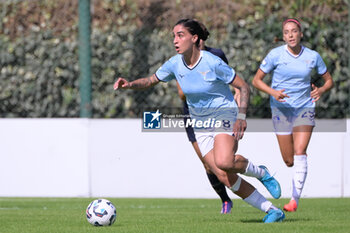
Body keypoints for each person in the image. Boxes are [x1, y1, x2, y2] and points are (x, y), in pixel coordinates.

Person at [114, 18, 285, 223]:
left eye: (180, 35)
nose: (175, 41)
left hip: (224, 113)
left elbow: (244, 87)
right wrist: (129, 84)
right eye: (174, 36)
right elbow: (151, 80)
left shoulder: (212, 62)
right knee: (224, 176)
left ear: (194, 38)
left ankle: (261, 173)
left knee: (224, 161)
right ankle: (272, 211)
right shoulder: (174, 64)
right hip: (200, 124)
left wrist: (241, 116)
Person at [252, 18, 334, 212]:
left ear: (300, 34)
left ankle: (294, 200)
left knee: (300, 152)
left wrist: (320, 91)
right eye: (287, 32)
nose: (290, 35)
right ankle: (263, 173)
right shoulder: (275, 55)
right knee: (289, 160)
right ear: (283, 36)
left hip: (305, 107)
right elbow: (256, 81)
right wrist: (274, 93)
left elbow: (329, 80)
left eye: (294, 31)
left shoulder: (312, 56)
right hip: (281, 110)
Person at [176, 22, 233, 214]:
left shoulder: (216, 56)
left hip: (218, 114)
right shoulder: (181, 60)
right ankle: (225, 200)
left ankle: (253, 181)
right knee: (209, 166)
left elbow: (229, 81)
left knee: (223, 163)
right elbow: (182, 94)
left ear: (197, 38)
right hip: (194, 117)